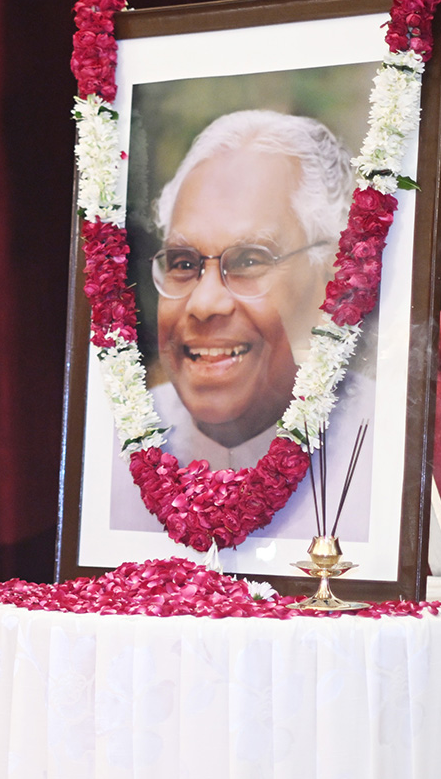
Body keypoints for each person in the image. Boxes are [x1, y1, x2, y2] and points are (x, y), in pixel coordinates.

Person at [109, 109, 377, 541]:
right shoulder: (110, 445)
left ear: (332, 275)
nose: (205, 303)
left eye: (250, 260)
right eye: (183, 263)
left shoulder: (386, 454)